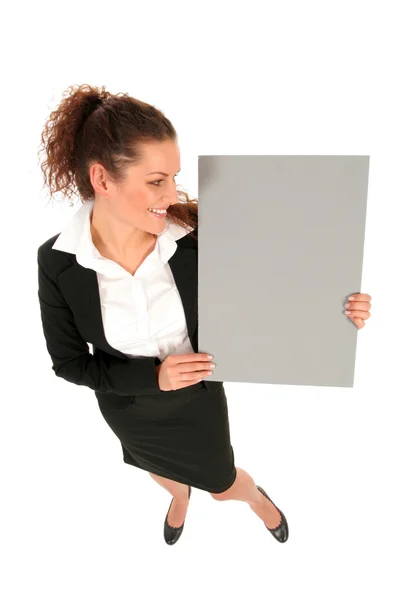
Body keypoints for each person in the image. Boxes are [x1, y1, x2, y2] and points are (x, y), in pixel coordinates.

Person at [37, 84, 372, 546]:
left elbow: (274, 282)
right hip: (126, 407)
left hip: (197, 404)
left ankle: (256, 499)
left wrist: (335, 310)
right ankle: (178, 496)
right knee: (154, 467)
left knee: (222, 482)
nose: (171, 193)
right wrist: (153, 379)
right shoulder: (57, 261)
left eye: (173, 176)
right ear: (102, 180)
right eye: (156, 180)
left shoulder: (194, 237)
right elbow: (70, 363)